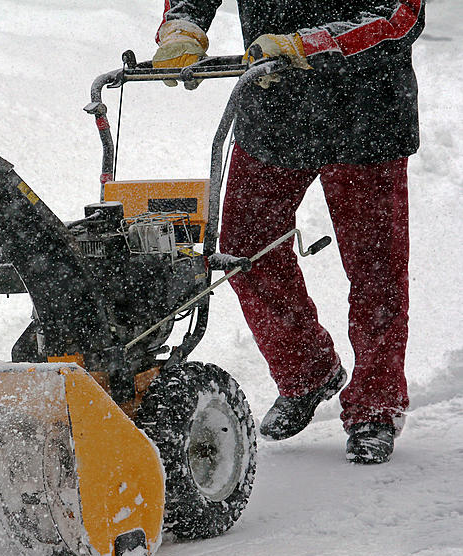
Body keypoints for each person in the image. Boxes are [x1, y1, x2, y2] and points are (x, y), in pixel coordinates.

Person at [152, 1, 425, 464]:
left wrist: (307, 45)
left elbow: (401, 15)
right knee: (243, 249)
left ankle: (375, 406)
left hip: (368, 109)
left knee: (375, 266)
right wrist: (184, 22)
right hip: (276, 107)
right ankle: (308, 371)